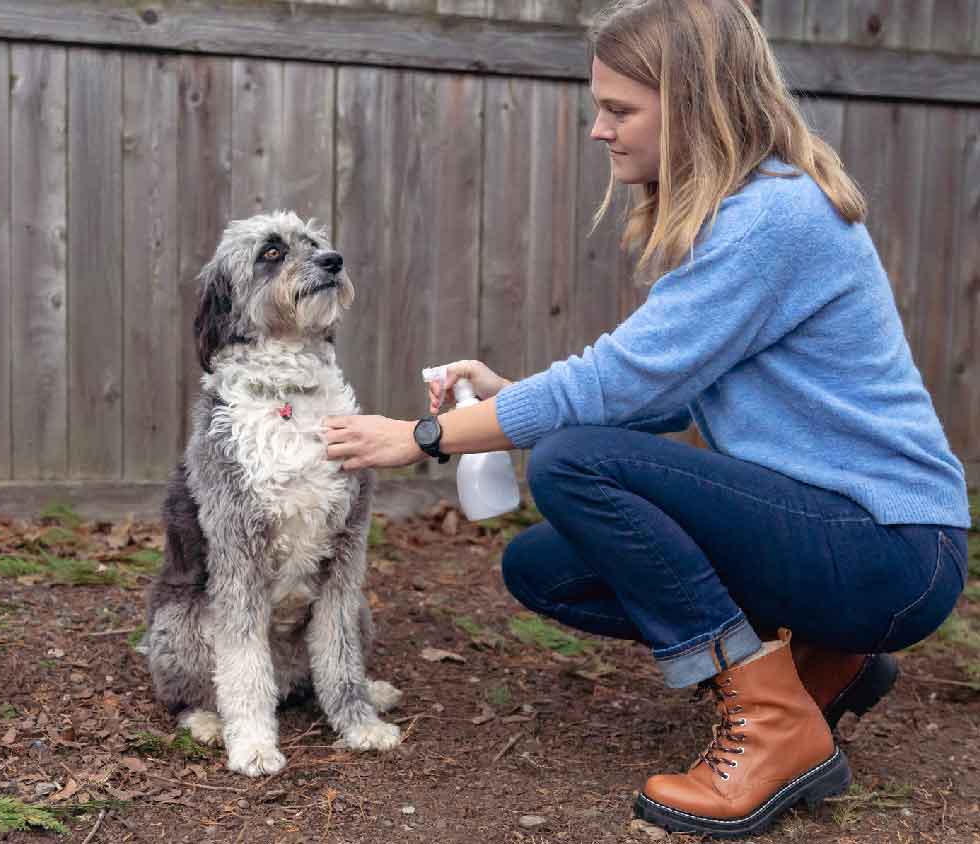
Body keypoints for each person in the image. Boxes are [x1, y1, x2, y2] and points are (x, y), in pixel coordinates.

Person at [321, 0, 971, 837]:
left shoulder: (773, 218)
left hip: (892, 546)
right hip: (844, 538)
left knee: (570, 461)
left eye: (619, 109)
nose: (600, 130)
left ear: (696, 105)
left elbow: (614, 385)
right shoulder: (750, 213)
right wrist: (511, 390)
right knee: (545, 566)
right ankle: (824, 664)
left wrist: (421, 439)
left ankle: (774, 725)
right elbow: (654, 397)